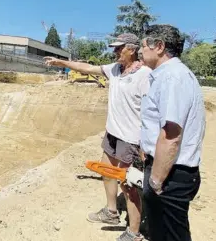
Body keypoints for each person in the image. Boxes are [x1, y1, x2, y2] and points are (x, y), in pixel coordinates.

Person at [43, 33, 151, 241]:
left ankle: (134, 232)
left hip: (131, 140)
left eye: (119, 48)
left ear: (132, 49)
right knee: (106, 172)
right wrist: (60, 61)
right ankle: (111, 212)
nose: (115, 51)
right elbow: (87, 68)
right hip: (112, 134)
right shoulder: (115, 70)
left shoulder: (144, 75)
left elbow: (151, 112)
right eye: (115, 48)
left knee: (129, 186)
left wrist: (144, 144)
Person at [133, 24, 206, 241]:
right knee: (161, 232)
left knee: (171, 235)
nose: (140, 51)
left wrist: (155, 181)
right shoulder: (167, 75)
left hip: (171, 175)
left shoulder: (172, 78)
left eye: (143, 45)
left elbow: (171, 134)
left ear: (160, 47)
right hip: (168, 171)